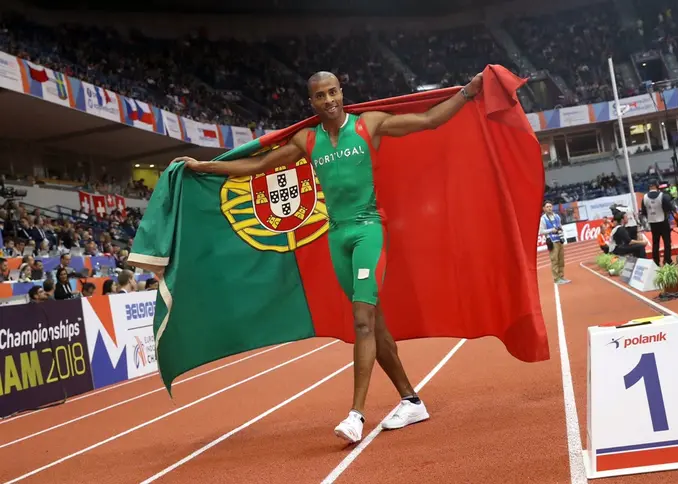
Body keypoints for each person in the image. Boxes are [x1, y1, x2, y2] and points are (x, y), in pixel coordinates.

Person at [172, 70, 485, 444]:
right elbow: (257, 166)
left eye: (333, 92)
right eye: (320, 96)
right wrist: (205, 166)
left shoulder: (369, 125)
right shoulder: (306, 141)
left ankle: (356, 414)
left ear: (342, 92)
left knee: (361, 321)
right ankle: (412, 399)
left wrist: (468, 92)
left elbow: (430, 120)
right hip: (337, 238)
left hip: (368, 230)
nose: (329, 100)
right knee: (376, 324)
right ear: (312, 102)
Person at [641, 180, 676, 266]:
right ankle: (667, 260)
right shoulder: (662, 196)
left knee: (655, 243)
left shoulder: (644, 197)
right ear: (657, 186)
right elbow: (669, 208)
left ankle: (656, 262)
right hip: (663, 222)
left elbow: (644, 212)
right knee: (667, 242)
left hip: (653, 223)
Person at [539, 201, 569, 284]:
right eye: (547, 207)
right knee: (554, 260)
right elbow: (541, 231)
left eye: (550, 206)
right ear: (544, 208)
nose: (549, 208)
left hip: (559, 239)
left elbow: (560, 226)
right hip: (552, 241)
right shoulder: (543, 219)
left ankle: (562, 276)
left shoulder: (557, 216)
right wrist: (552, 230)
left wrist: (561, 234)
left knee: (561, 260)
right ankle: (556, 279)